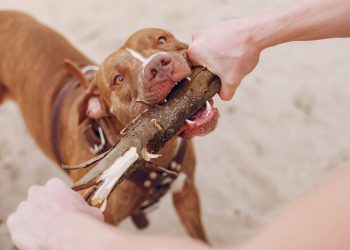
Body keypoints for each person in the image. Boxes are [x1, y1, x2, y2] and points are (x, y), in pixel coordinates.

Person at [7, 0, 350, 249]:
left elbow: (187, 195)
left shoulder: (177, 128)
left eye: (158, 44)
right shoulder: (90, 133)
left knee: (184, 188)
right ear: (97, 108)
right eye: (118, 80)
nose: (156, 63)